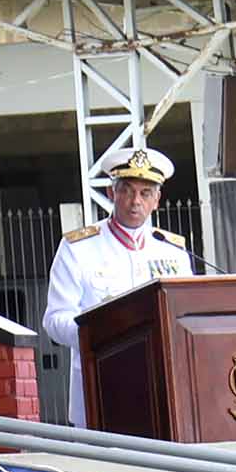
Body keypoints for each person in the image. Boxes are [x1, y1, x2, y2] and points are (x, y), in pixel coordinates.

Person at [37, 144, 192, 426]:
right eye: (127, 191)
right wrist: (101, 335)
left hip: (162, 391)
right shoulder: (78, 248)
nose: (135, 201)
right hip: (99, 390)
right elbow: (55, 319)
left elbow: (186, 318)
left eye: (145, 193)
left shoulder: (173, 252)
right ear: (111, 193)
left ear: (157, 200)